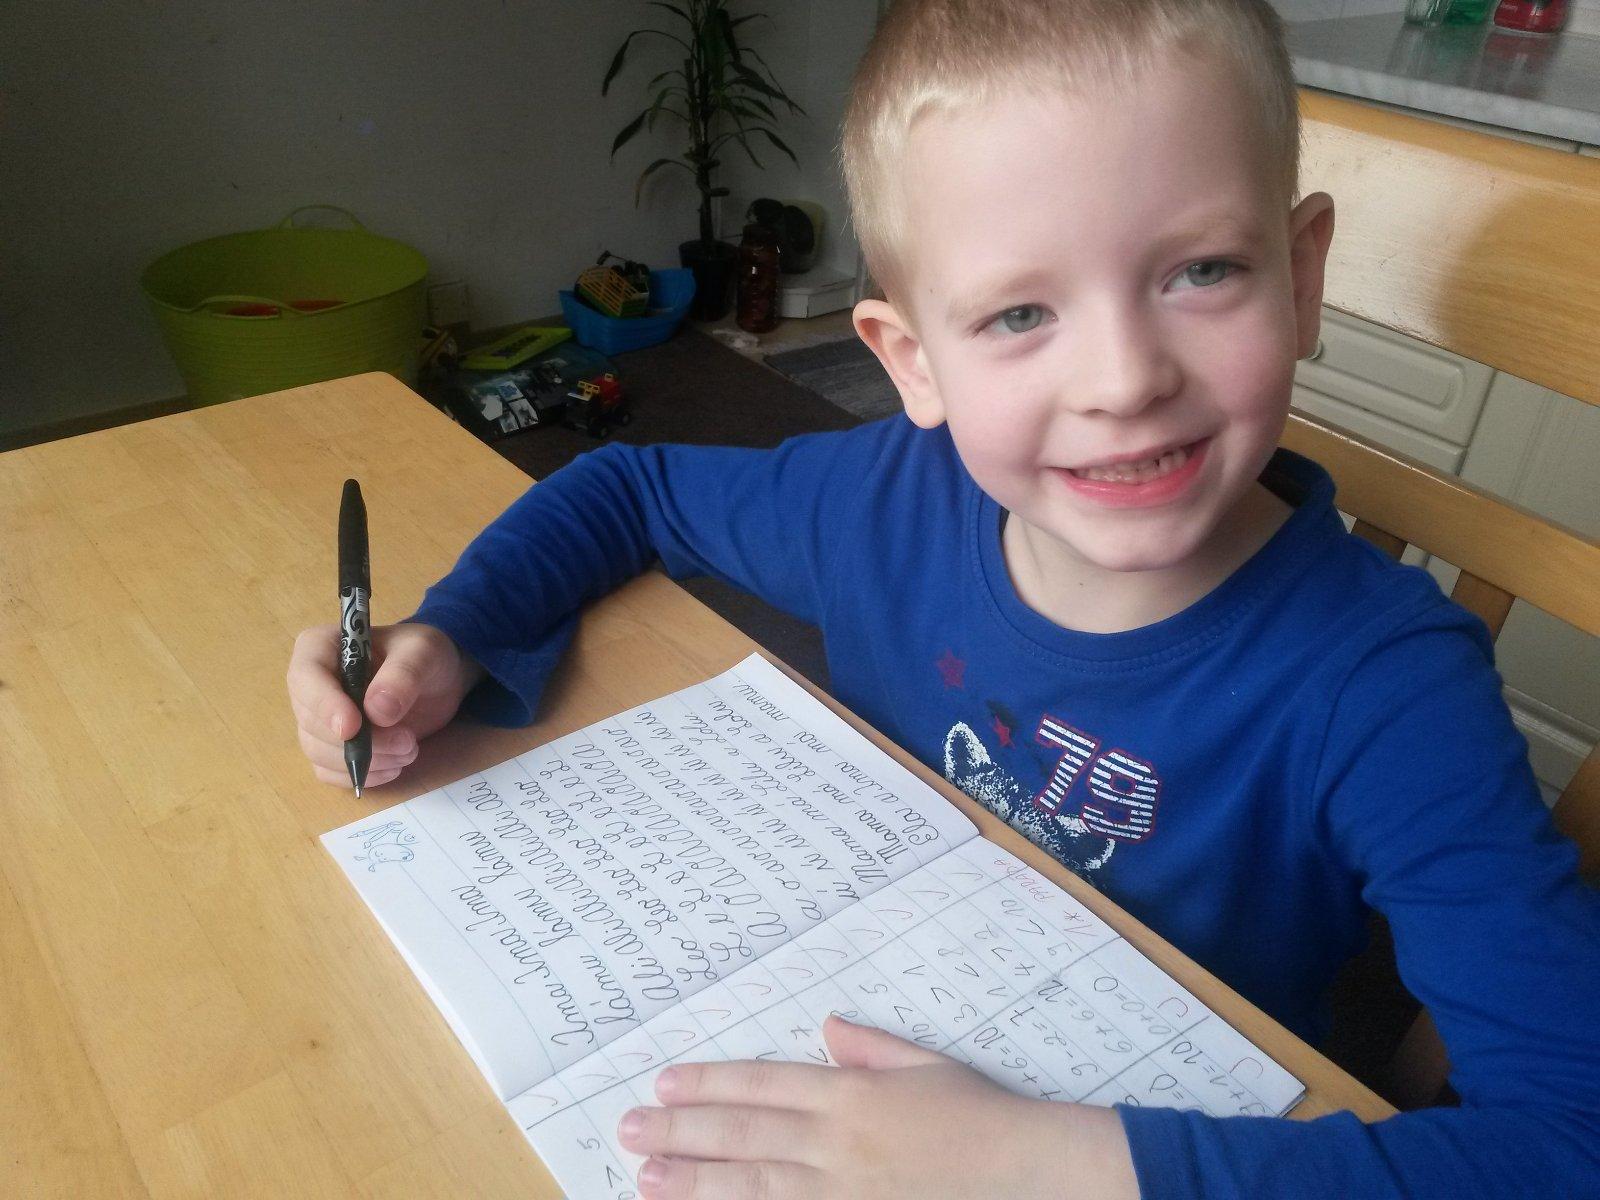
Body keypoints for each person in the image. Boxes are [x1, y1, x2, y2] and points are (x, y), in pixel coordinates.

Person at [287, 0, 1600, 1195]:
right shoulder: (888, 499)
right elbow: (632, 489)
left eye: (1201, 271)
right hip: (871, 1024)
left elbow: (1570, 1140)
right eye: (1020, 314)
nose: (1125, 379)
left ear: (1302, 278)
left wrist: (1043, 1167)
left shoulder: (1393, 689)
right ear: (910, 362)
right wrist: (453, 635)